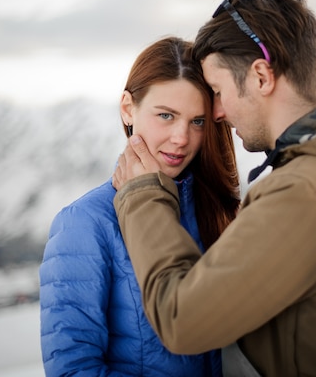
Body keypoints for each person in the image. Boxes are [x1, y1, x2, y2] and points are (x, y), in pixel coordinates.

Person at [112, 0, 316, 377]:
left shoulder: (305, 192)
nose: (218, 112)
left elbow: (180, 318)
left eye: (219, 91)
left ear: (260, 76)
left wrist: (142, 199)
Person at [39, 36, 240, 376]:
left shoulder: (220, 210)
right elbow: (73, 370)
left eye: (197, 121)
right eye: (166, 115)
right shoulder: (84, 223)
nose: (181, 137)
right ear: (128, 109)